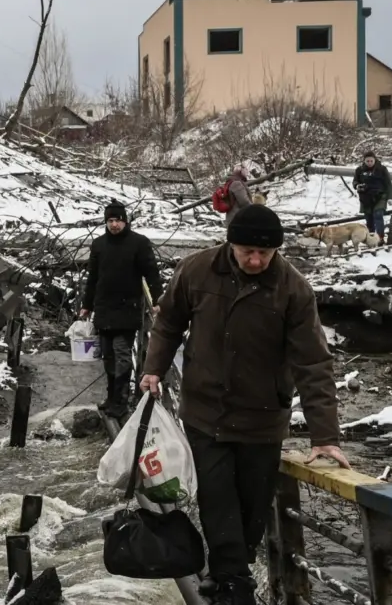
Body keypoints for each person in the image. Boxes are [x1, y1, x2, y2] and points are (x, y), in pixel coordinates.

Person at [140, 204, 348, 605]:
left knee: (253, 508)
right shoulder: (197, 271)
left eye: (265, 254)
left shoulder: (293, 289)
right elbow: (168, 322)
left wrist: (325, 436)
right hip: (205, 412)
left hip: (262, 417)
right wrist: (154, 368)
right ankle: (234, 585)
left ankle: (228, 573)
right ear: (230, 243)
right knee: (217, 497)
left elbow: (313, 363)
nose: (255, 260)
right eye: (247, 251)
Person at [79, 201, 163, 418]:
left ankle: (122, 400)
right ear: (106, 222)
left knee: (122, 355)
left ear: (126, 221)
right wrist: (86, 306)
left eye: (118, 220)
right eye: (110, 221)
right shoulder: (98, 245)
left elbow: (152, 273)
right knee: (107, 356)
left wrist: (157, 300)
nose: (114, 224)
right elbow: (93, 278)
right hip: (104, 307)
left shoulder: (139, 243)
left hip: (128, 307)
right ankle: (111, 397)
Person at [353, 151, 392, 244]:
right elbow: (355, 181)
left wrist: (390, 197)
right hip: (365, 197)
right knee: (369, 218)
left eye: (371, 161)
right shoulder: (359, 170)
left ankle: (380, 238)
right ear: (364, 161)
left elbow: (388, 184)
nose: (369, 163)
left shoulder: (382, 169)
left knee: (378, 214)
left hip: (380, 196)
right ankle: (371, 238)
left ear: (375, 160)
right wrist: (357, 185)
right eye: (367, 161)